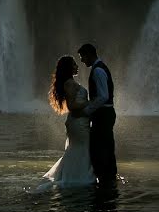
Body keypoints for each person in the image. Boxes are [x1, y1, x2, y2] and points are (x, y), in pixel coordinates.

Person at [38, 55, 96, 190]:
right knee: (82, 148)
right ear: (68, 68)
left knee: (78, 149)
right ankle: (77, 177)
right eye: (74, 64)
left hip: (79, 122)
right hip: (78, 123)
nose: (77, 67)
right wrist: (89, 103)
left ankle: (75, 175)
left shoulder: (70, 82)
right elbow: (72, 106)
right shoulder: (69, 83)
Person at [76, 43, 118, 181]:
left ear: (89, 54)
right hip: (105, 114)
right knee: (106, 146)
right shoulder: (99, 68)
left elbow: (103, 96)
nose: (82, 60)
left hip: (103, 115)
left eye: (82, 57)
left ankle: (104, 177)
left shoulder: (98, 71)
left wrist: (87, 110)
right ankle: (109, 177)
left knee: (99, 148)